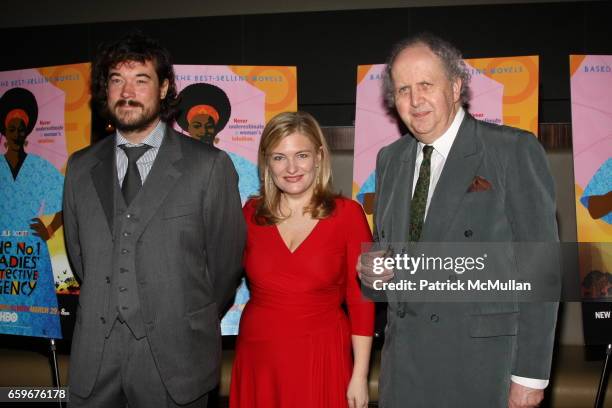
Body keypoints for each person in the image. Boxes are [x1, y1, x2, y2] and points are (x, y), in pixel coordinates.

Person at [357, 33, 559, 408]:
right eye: (403, 90)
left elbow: (541, 270)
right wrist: (371, 270)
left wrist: (529, 376)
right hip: (404, 369)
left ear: (455, 86)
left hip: (482, 368)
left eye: (425, 85)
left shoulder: (511, 151)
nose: (414, 101)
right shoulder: (389, 159)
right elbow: (389, 261)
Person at [63, 32, 245, 407]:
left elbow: (225, 267)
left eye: (140, 80)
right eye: (116, 80)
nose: (126, 91)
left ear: (163, 88)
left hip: (175, 358)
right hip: (95, 357)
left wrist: (177, 309)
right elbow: (80, 257)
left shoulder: (208, 166)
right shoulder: (80, 167)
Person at [230, 111, 375, 408]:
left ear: (319, 157)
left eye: (302, 155)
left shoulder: (349, 214)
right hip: (259, 355)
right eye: (279, 157)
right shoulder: (249, 215)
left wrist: (360, 374)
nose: (291, 168)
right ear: (266, 162)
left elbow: (362, 298)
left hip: (322, 355)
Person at [0, 87, 63, 338]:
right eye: (12, 129)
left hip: (32, 255)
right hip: (3, 254)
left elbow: (67, 203)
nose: (17, 134)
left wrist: (49, 230)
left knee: (37, 321)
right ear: (4, 132)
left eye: (21, 129)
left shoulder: (40, 167)